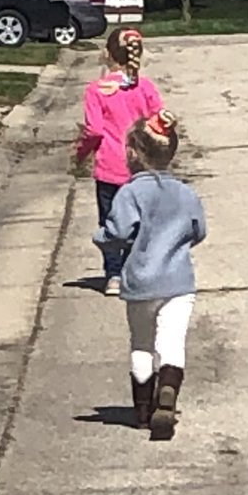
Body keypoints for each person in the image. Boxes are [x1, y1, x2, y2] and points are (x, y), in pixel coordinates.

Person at [93, 111, 207, 441]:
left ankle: (142, 412)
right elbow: (198, 231)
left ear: (132, 154)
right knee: (172, 342)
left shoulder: (130, 193)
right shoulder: (186, 194)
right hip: (178, 282)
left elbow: (117, 232)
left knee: (141, 343)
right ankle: (168, 393)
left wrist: (101, 239)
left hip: (141, 282)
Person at [74, 27, 163, 297]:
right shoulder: (145, 88)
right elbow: (157, 120)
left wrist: (80, 153)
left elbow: (95, 131)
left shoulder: (96, 90)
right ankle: (138, 272)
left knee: (111, 224)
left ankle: (114, 275)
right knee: (142, 222)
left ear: (106, 54)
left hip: (110, 169)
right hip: (141, 169)